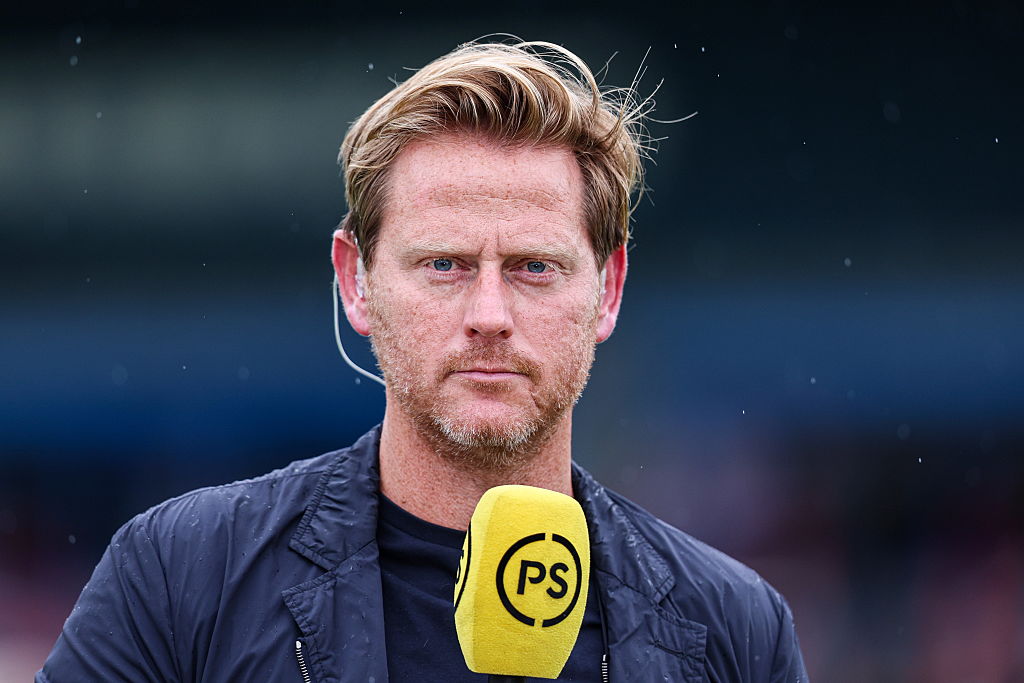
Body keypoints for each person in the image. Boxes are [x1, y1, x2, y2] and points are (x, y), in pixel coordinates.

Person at [38, 40, 808, 682]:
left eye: (535, 266)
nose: (489, 316)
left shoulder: (734, 629)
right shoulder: (181, 576)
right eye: (444, 264)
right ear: (357, 282)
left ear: (607, 289)